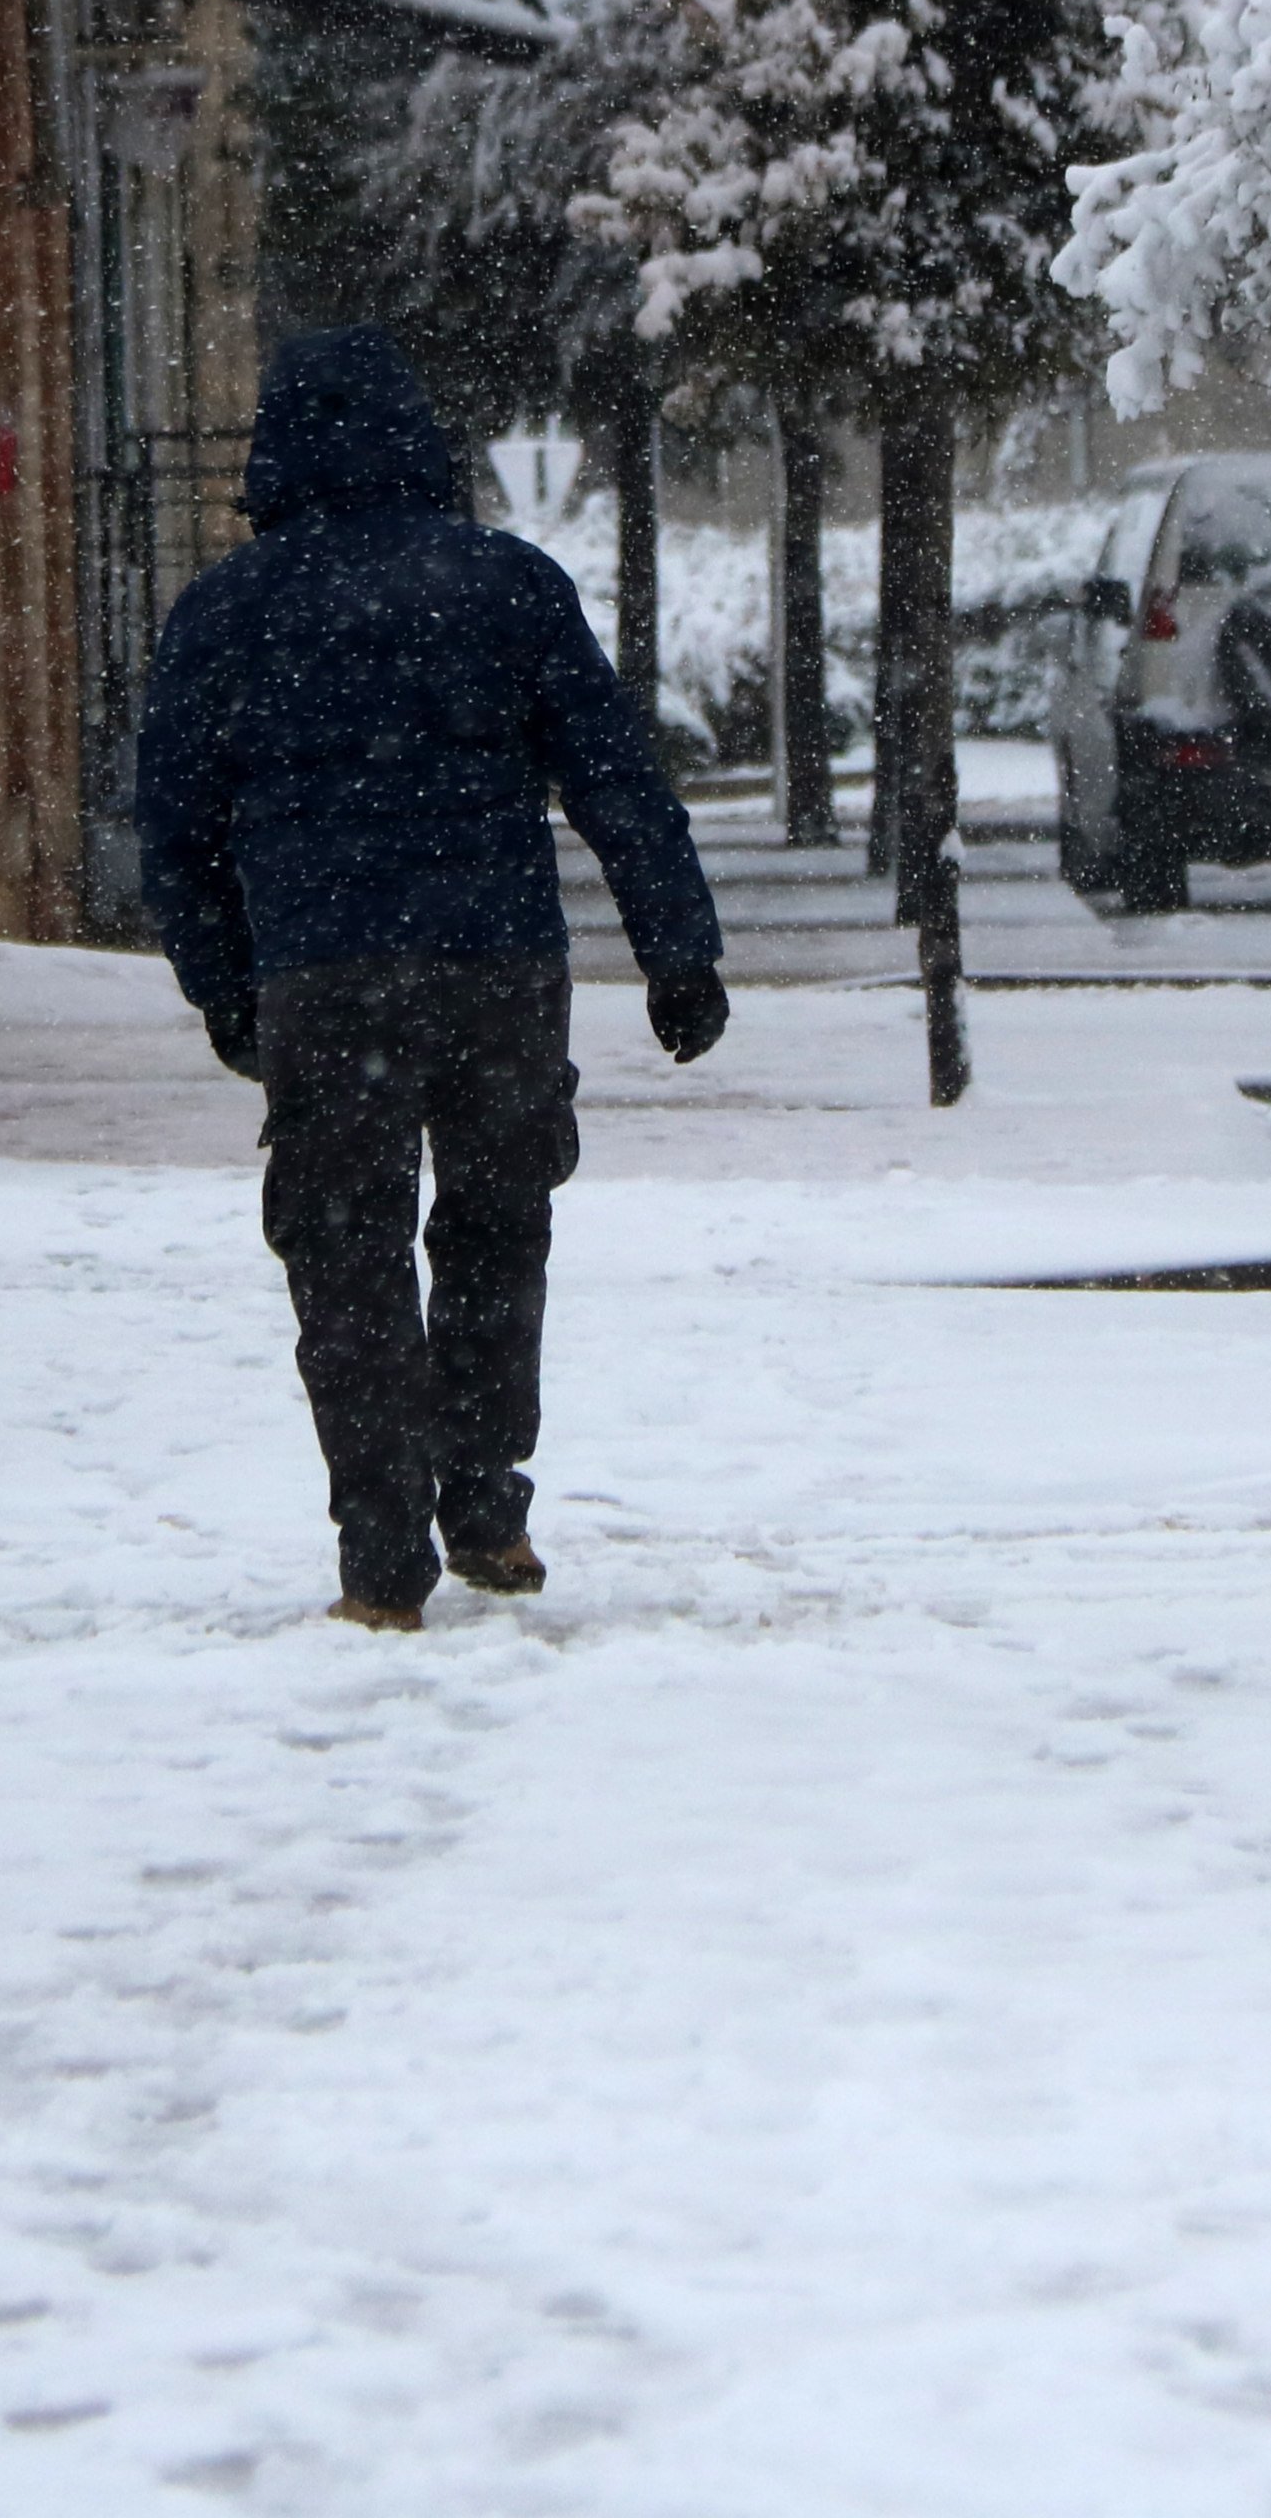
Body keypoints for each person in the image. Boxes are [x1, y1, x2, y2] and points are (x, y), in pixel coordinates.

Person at [138, 327, 727, 1631]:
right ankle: (486, 1504)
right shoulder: (507, 587)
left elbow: (174, 831)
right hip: (496, 967)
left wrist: (228, 988)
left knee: (345, 1258)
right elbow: (615, 782)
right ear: (421, 439)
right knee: (495, 1237)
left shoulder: (229, 610)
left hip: (325, 972)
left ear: (273, 451)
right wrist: (678, 948)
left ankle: (379, 1554)